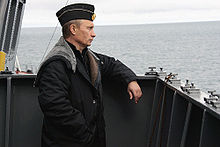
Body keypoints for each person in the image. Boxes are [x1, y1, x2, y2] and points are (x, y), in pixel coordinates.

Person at [35, 3, 142, 147]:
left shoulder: (88, 57)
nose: (94, 33)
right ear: (73, 29)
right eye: (89, 28)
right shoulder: (56, 64)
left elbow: (112, 64)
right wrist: (85, 132)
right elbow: (55, 106)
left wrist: (130, 80)